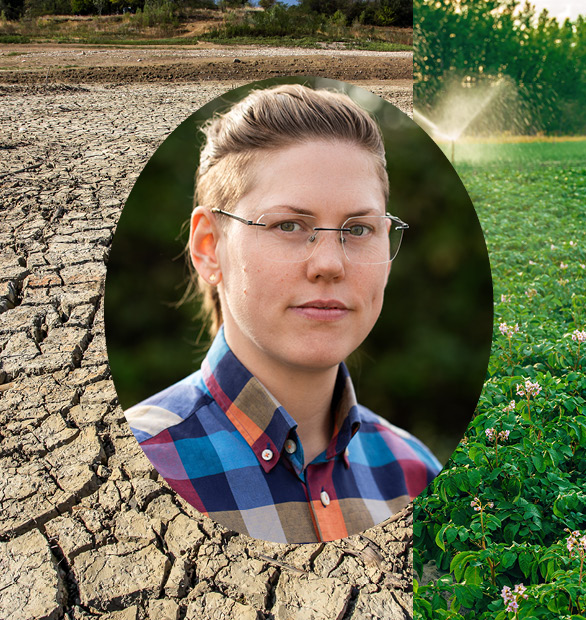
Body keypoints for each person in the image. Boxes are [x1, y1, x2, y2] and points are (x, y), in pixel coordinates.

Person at [124, 83, 441, 544]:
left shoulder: (416, 474)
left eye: (358, 228)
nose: (330, 263)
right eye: (289, 225)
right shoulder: (142, 464)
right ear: (209, 247)